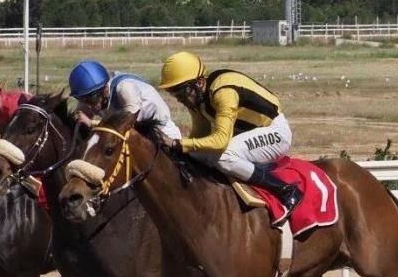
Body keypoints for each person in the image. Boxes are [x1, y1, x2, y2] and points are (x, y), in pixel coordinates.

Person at [158, 52, 302, 213]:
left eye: (181, 92)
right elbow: (200, 134)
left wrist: (178, 143)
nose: (179, 99)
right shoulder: (198, 99)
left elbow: (220, 141)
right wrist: (181, 153)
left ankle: (285, 189)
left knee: (224, 157)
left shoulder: (223, 93)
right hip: (249, 134)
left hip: (275, 133)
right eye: (174, 94)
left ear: (199, 83)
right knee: (195, 156)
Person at [68, 60, 182, 141]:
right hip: (135, 133)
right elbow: (80, 123)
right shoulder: (92, 96)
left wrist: (90, 124)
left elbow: (126, 125)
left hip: (161, 133)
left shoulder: (124, 88)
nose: (88, 105)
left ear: (105, 89)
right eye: (82, 99)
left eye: (91, 99)